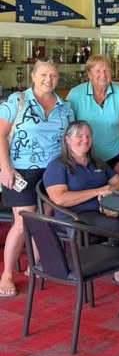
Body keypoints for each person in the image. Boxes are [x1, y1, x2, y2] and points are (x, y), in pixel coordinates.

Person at [43, 121, 119, 286]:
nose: (85, 140)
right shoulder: (58, 166)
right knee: (117, 226)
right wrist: (98, 191)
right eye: (79, 136)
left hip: (104, 209)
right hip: (75, 215)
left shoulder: (96, 162)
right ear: (67, 139)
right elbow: (59, 199)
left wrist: (109, 190)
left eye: (88, 136)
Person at [0, 59, 74, 298]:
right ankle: (7, 274)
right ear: (33, 76)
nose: (48, 80)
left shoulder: (65, 107)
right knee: (22, 222)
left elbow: (68, 141)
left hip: (53, 171)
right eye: (43, 75)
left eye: (53, 75)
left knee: (45, 219)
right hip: (21, 170)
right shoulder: (17, 101)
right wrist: (5, 169)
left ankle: (36, 264)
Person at [66, 54, 119, 174]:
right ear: (89, 74)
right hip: (84, 157)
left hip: (115, 156)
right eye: (98, 71)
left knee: (117, 190)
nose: (103, 75)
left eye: (106, 70)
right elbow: (68, 130)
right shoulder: (76, 94)